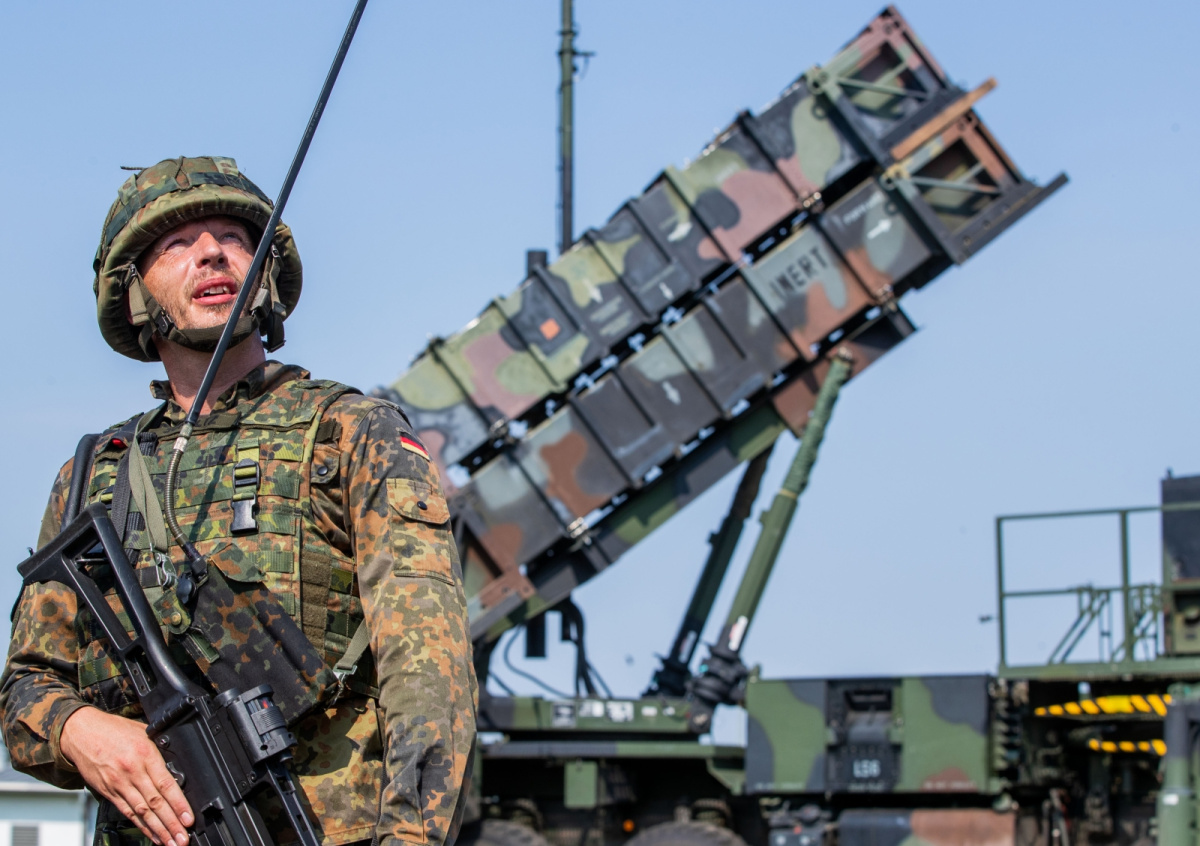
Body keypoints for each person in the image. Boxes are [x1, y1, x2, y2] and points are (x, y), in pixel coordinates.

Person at [0, 156, 477, 846]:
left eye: (233, 237)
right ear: (133, 293)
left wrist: (410, 838)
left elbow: (429, 667)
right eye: (176, 243)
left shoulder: (348, 433)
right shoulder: (93, 475)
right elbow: (25, 689)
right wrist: (80, 730)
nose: (212, 253)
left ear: (266, 275)